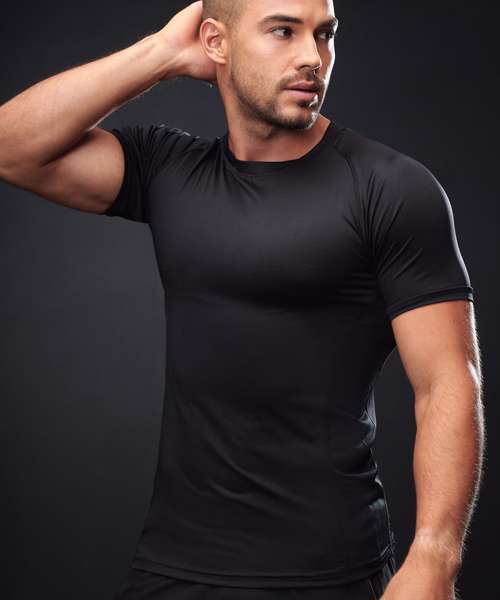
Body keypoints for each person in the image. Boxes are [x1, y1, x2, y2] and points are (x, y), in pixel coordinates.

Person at [0, 1, 484, 599]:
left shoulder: (391, 188)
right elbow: (12, 148)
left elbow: (447, 380)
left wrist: (434, 556)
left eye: (325, 34)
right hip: (174, 565)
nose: (313, 57)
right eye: (283, 31)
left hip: (329, 572)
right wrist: (160, 53)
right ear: (216, 42)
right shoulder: (169, 170)